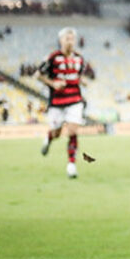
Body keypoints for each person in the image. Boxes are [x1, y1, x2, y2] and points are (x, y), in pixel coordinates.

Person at [36, 27, 90, 179]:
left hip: (75, 100)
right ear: (61, 40)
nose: (70, 42)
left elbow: (77, 76)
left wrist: (82, 81)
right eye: (67, 39)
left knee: (73, 131)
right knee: (57, 133)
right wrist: (52, 83)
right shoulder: (52, 58)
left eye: (72, 39)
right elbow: (38, 74)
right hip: (57, 102)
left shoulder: (79, 59)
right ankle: (48, 137)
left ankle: (71, 165)